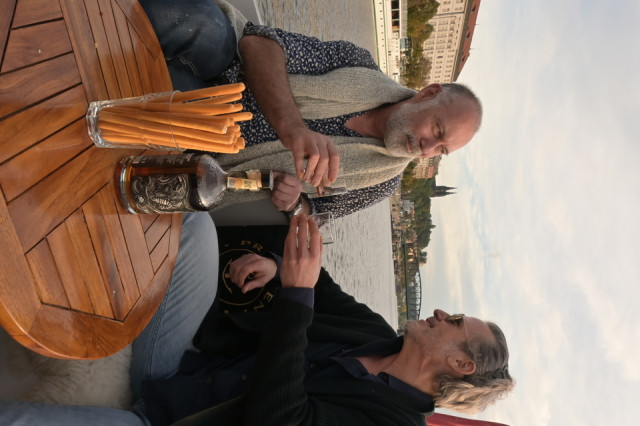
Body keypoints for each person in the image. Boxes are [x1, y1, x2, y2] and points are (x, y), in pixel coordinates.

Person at [0, 214, 513, 425]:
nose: (441, 312)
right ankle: (33, 233)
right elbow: (321, 288)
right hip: (181, 367)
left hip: (171, 421)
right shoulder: (376, 335)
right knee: (195, 226)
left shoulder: (391, 423)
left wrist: (295, 299)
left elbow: (280, 419)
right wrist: (275, 266)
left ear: (461, 364)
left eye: (456, 321)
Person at [139, 0, 483, 218]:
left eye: (441, 150)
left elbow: (314, 214)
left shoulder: (380, 184)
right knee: (207, 24)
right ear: (428, 94)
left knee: (161, 117)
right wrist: (292, 128)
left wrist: (292, 201)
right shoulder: (357, 63)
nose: (427, 148)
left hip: (211, 157)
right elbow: (259, 43)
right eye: (437, 130)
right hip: (222, 78)